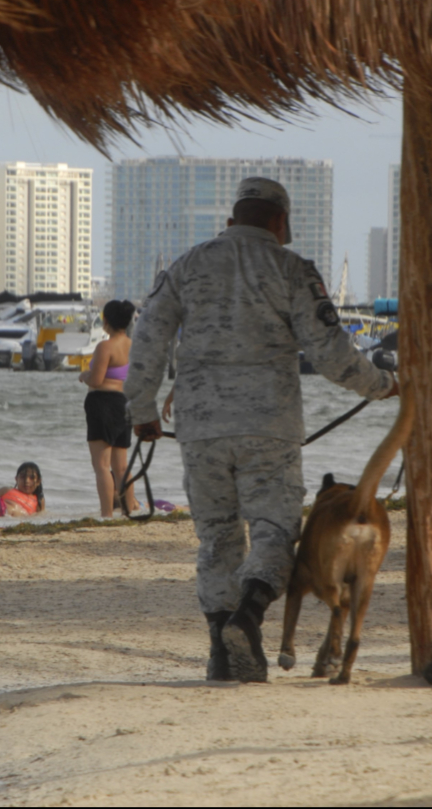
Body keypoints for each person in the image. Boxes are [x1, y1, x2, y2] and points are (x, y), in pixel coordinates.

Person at [125, 177, 398, 684]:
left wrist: (141, 408)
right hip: (268, 427)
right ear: (279, 223)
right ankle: (248, 617)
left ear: (231, 222)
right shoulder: (292, 269)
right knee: (274, 530)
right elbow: (331, 353)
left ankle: (220, 650)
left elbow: (148, 336)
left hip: (200, 427)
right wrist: (384, 386)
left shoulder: (186, 265)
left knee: (217, 537)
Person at [81, 300, 139, 517]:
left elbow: (96, 380)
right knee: (121, 467)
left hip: (102, 404)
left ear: (106, 321)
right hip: (124, 403)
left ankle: (106, 515)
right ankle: (127, 511)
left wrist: (83, 375)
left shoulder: (105, 346)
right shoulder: (133, 345)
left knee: (102, 466)